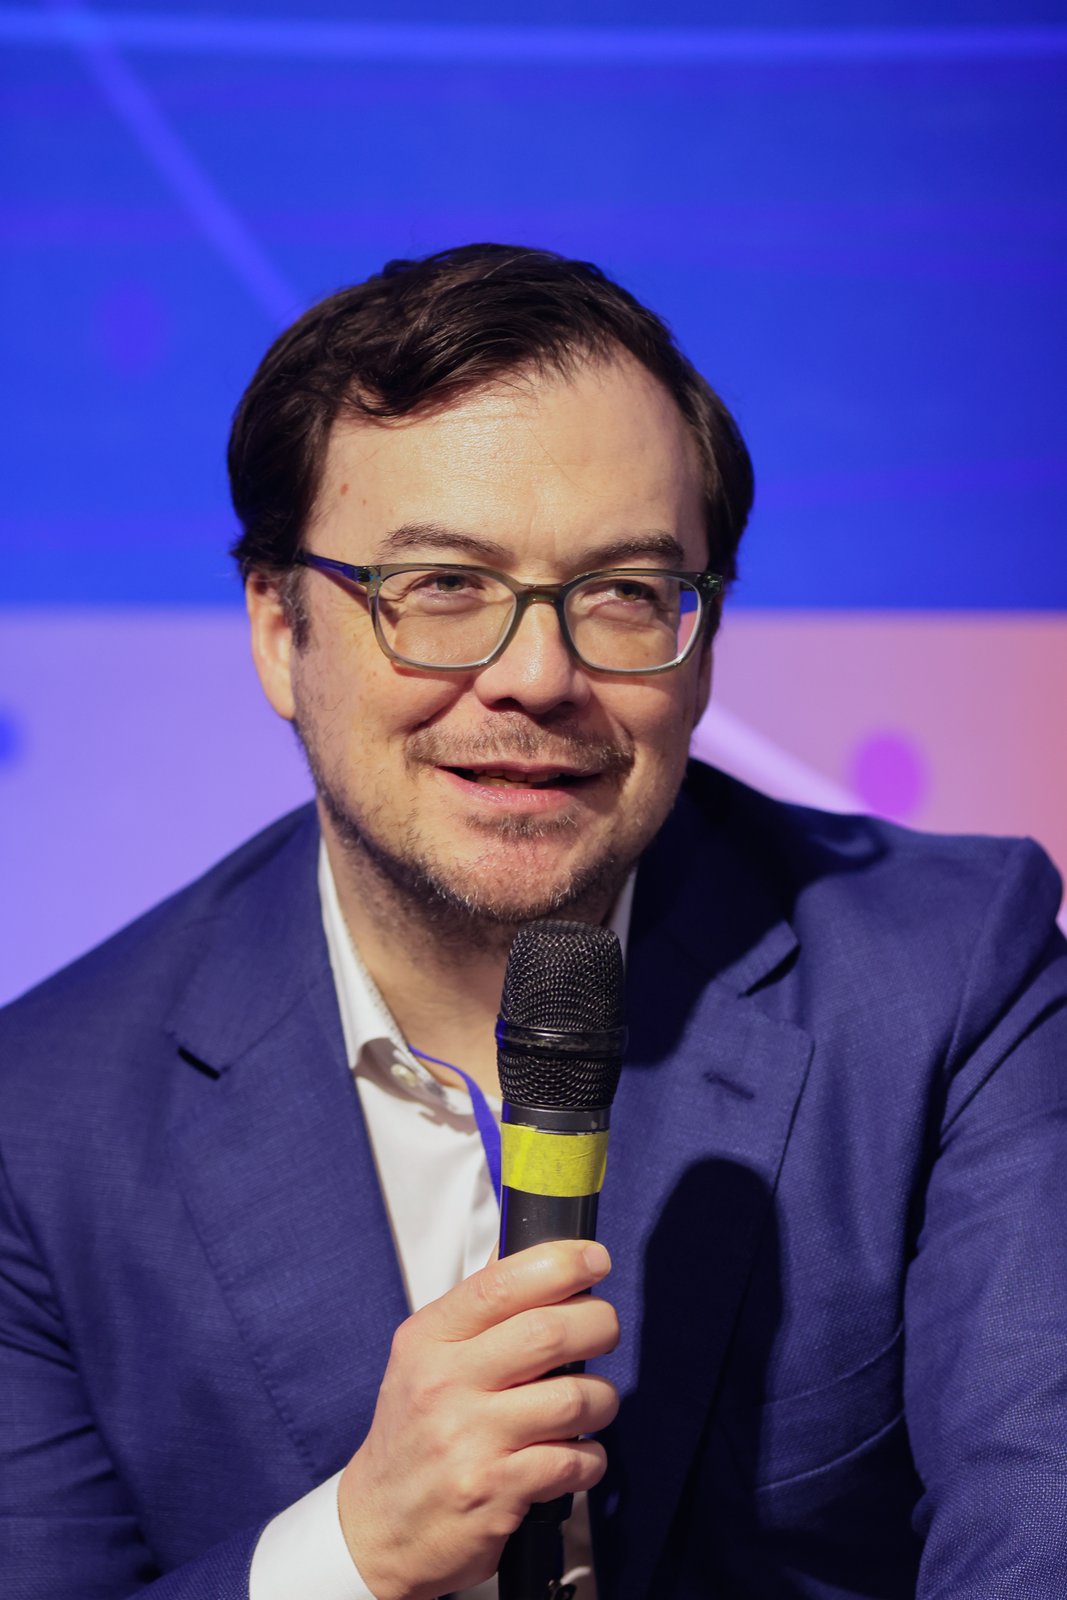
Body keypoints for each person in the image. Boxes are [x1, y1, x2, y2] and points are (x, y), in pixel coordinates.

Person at [1, 244, 1065, 1600]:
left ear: (706, 639)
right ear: (278, 629)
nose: (537, 675)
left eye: (624, 593)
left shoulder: (953, 978)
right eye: (443, 585)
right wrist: (352, 1551)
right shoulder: (42, 1126)